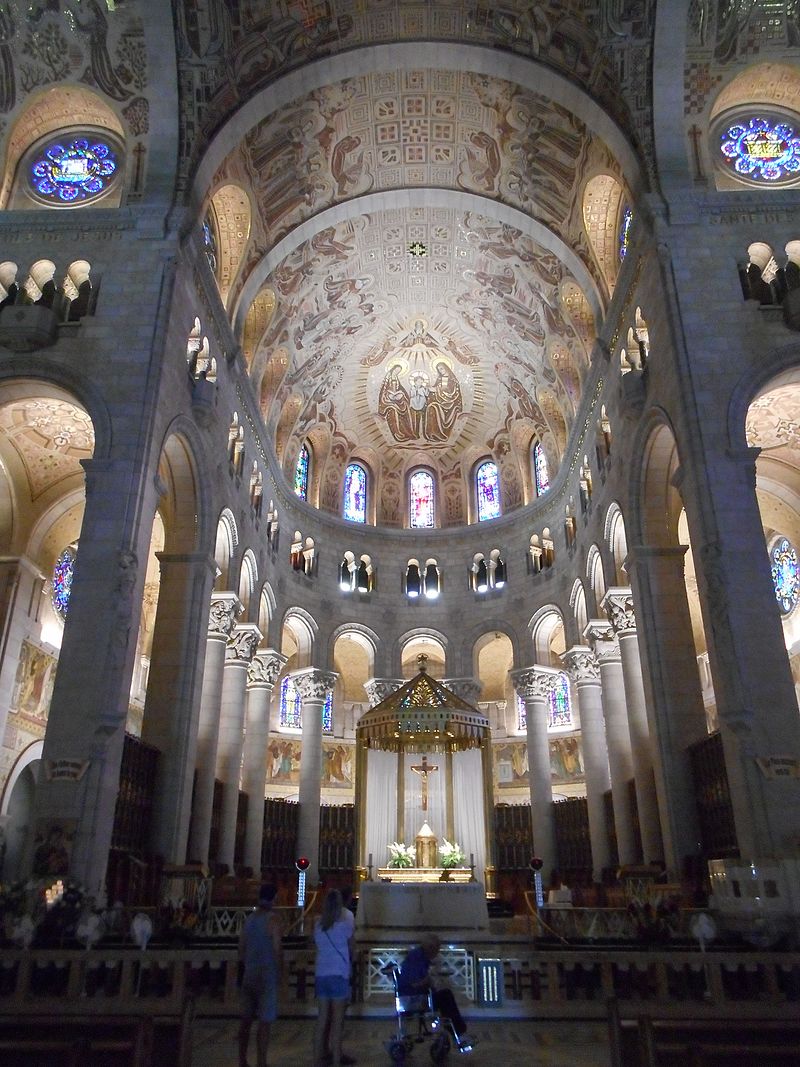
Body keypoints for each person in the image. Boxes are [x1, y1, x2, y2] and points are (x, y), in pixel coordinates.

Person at [398, 934, 474, 1050]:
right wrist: (429, 980)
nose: (437, 953)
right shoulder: (417, 959)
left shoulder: (419, 957)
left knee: (446, 995)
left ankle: (458, 1032)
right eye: (437, 950)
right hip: (414, 998)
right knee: (446, 997)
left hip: (417, 995)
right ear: (431, 948)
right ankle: (459, 1033)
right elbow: (414, 983)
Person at [238, 884, 282, 1067]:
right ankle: (261, 1062)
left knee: (246, 1021)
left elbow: (241, 948)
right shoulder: (273, 920)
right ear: (273, 899)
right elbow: (277, 949)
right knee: (264, 1022)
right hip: (266, 975)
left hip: (249, 973)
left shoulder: (249, 919)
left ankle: (242, 1060)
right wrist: (279, 971)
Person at [314, 889, 354, 1067]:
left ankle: (317, 1061)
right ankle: (336, 1062)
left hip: (322, 974)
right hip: (339, 974)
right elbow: (351, 946)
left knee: (322, 1021)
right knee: (337, 1023)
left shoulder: (317, 926)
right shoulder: (345, 926)